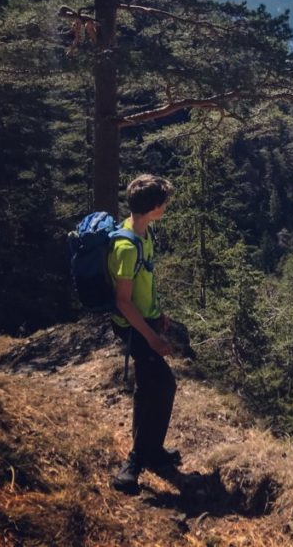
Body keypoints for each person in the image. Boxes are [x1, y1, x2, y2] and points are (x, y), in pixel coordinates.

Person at [109, 174, 179, 494]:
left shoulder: (142, 232)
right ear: (154, 207)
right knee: (162, 385)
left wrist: (157, 314)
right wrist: (150, 337)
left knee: (150, 385)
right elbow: (123, 302)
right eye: (163, 203)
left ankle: (151, 451)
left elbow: (144, 280)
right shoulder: (126, 246)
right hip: (134, 328)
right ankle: (135, 462)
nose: (166, 207)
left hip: (146, 321)